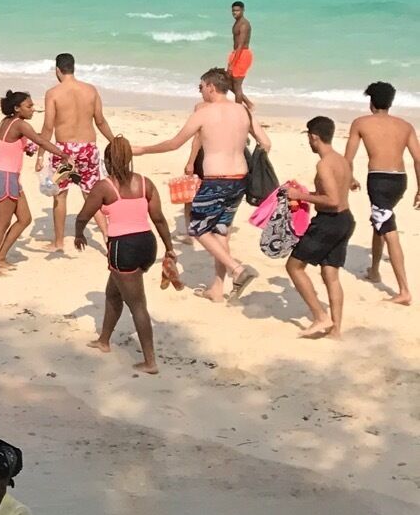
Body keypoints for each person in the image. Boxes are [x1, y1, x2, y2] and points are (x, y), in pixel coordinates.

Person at [137, 69, 268, 303]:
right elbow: (266, 143)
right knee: (220, 231)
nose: (201, 90)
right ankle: (217, 289)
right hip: (240, 179)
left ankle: (237, 269)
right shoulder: (243, 110)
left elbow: (174, 143)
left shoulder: (205, 113)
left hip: (217, 179)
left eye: (202, 86)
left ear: (211, 87)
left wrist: (143, 150)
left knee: (197, 228)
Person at [76, 137, 182, 373]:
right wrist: (169, 247)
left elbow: (84, 215)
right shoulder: (146, 183)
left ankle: (150, 361)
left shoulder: (105, 186)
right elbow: (159, 219)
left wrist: (78, 234)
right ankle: (103, 341)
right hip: (147, 244)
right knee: (113, 293)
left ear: (107, 160)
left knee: (137, 305)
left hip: (122, 247)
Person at [345, 82, 418, 305]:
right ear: (391, 102)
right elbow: (418, 158)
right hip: (400, 180)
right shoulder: (405, 126)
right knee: (380, 220)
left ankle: (404, 290)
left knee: (388, 228)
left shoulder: (361, 123)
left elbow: (348, 157)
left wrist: (349, 177)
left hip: (378, 181)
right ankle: (374, 270)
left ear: (371, 103)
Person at [285, 115, 355, 340]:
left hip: (329, 222)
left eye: (309, 137)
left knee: (294, 267)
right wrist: (308, 195)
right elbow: (337, 193)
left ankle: (320, 316)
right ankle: (336, 330)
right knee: (330, 274)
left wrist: (300, 195)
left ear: (314, 137)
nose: (309, 142)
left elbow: (332, 200)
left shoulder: (324, 164)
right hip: (345, 220)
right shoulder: (341, 160)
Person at [41, 54, 112, 252]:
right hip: (88, 148)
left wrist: (40, 154)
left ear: (57, 70)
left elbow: (48, 127)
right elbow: (100, 121)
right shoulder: (91, 90)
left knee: (60, 196)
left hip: (64, 151)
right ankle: (107, 238)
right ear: (73, 68)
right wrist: (114, 141)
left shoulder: (53, 93)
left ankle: (59, 243)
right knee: (92, 196)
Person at [0, 90, 55, 276]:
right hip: (6, 176)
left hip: (6, 174)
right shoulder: (20, 125)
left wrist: (19, 146)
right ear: (17, 108)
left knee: (25, 219)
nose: (33, 109)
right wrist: (64, 155)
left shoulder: (6, 122)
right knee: (3, 223)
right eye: (29, 106)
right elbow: (41, 140)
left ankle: (0, 258)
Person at [228, 1, 253, 84]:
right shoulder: (237, 22)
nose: (235, 13)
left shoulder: (244, 24)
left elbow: (241, 45)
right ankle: (241, 97)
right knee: (231, 84)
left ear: (243, 10)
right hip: (237, 53)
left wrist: (232, 64)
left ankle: (239, 97)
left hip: (242, 54)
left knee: (236, 86)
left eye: (237, 10)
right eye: (233, 11)